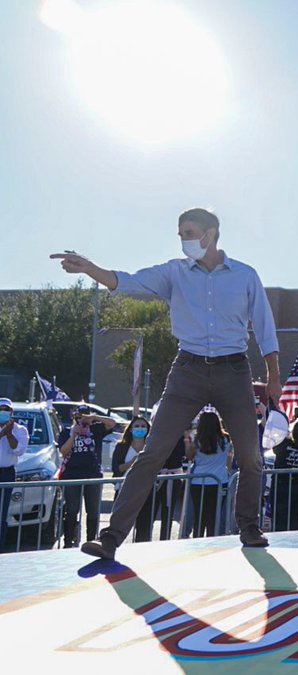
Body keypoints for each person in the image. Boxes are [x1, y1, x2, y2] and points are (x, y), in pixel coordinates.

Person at [53, 206, 282, 559]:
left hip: (233, 371)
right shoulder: (174, 273)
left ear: (210, 234)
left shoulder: (245, 276)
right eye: (180, 234)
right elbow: (127, 281)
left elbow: (265, 327)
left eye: (188, 233)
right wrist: (91, 268)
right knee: (153, 452)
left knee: (251, 456)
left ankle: (249, 527)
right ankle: (111, 537)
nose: (183, 240)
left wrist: (273, 377)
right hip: (187, 370)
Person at [57, 407, 119, 547]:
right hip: (72, 476)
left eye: (85, 415)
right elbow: (63, 451)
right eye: (79, 415)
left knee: (92, 511)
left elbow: (112, 423)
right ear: (74, 416)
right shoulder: (66, 432)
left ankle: (91, 540)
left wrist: (95, 417)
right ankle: (68, 541)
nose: (82, 418)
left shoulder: (95, 429)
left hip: (93, 476)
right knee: (72, 510)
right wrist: (74, 435)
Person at [185, 410, 233, 538]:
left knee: (199, 517)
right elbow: (229, 458)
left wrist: (187, 442)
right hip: (220, 480)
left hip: (199, 481)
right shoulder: (225, 439)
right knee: (214, 517)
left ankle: (197, 540)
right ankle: (212, 542)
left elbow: (189, 457)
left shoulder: (197, 440)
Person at [111, 416, 155, 543]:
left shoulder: (150, 447)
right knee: (119, 525)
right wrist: (133, 462)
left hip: (146, 491)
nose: (140, 429)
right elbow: (116, 468)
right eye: (136, 426)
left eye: (143, 426)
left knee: (144, 528)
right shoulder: (121, 447)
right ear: (130, 429)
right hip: (124, 491)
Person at [0, 399, 29, 544]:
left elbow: (18, 451)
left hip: (6, 473)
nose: (3, 412)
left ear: (11, 412)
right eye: (1, 409)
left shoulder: (20, 430)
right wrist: (2, 433)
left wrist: (9, 434)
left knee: (1, 512)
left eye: (6, 409)